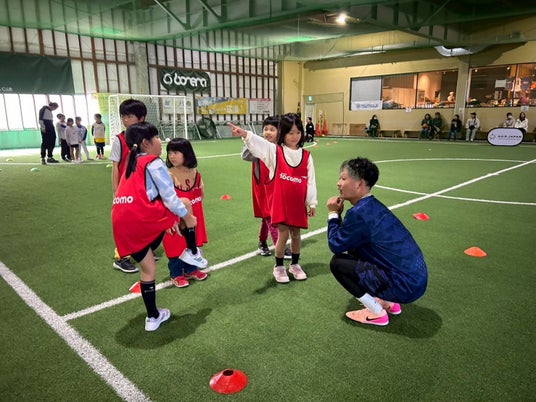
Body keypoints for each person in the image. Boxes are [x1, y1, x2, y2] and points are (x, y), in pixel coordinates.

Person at [111, 122, 205, 331]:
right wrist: (187, 218)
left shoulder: (131, 163)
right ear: (146, 143)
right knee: (185, 203)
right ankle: (192, 251)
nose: (160, 141)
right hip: (142, 218)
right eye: (156, 138)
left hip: (121, 222)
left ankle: (153, 317)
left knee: (148, 269)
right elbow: (170, 197)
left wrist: (167, 220)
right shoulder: (153, 162)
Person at [326, 157, 428, 326]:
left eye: (343, 178)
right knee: (357, 249)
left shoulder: (359, 213)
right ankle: (389, 302)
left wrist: (333, 214)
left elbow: (335, 245)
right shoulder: (373, 205)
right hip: (416, 280)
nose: (338, 183)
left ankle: (377, 312)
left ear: (359, 183)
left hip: (405, 286)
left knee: (338, 264)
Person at [229, 113, 318, 284]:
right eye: (290, 133)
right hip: (280, 203)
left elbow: (311, 180)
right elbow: (259, 143)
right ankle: (279, 266)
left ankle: (295, 264)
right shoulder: (274, 151)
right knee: (283, 234)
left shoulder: (307, 156)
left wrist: (312, 202)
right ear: (283, 133)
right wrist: (244, 134)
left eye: (298, 132)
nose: (295, 136)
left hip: (297, 203)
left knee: (296, 234)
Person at [241, 116, 290, 259]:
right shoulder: (258, 146)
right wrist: (250, 140)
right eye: (265, 129)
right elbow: (245, 156)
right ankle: (279, 246)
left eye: (272, 129)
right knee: (270, 215)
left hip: (276, 186)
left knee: (266, 216)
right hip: (262, 187)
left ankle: (262, 242)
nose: (268, 132)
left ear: (279, 132)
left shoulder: (281, 148)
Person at [162, 138, 209, 288]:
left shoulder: (196, 174)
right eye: (169, 152)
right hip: (175, 220)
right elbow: (163, 200)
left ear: (186, 153)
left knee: (192, 244)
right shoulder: (168, 175)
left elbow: (201, 195)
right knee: (176, 246)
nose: (172, 156)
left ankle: (191, 269)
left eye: (176, 152)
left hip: (192, 218)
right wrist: (167, 222)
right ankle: (176, 273)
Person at [110, 99, 147, 274]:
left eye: (129, 116)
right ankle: (121, 258)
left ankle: (142, 251)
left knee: (143, 220)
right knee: (124, 225)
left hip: (142, 188)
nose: (125, 120)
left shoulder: (146, 139)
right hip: (125, 190)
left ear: (141, 118)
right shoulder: (119, 140)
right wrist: (116, 191)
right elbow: (115, 167)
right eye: (123, 116)